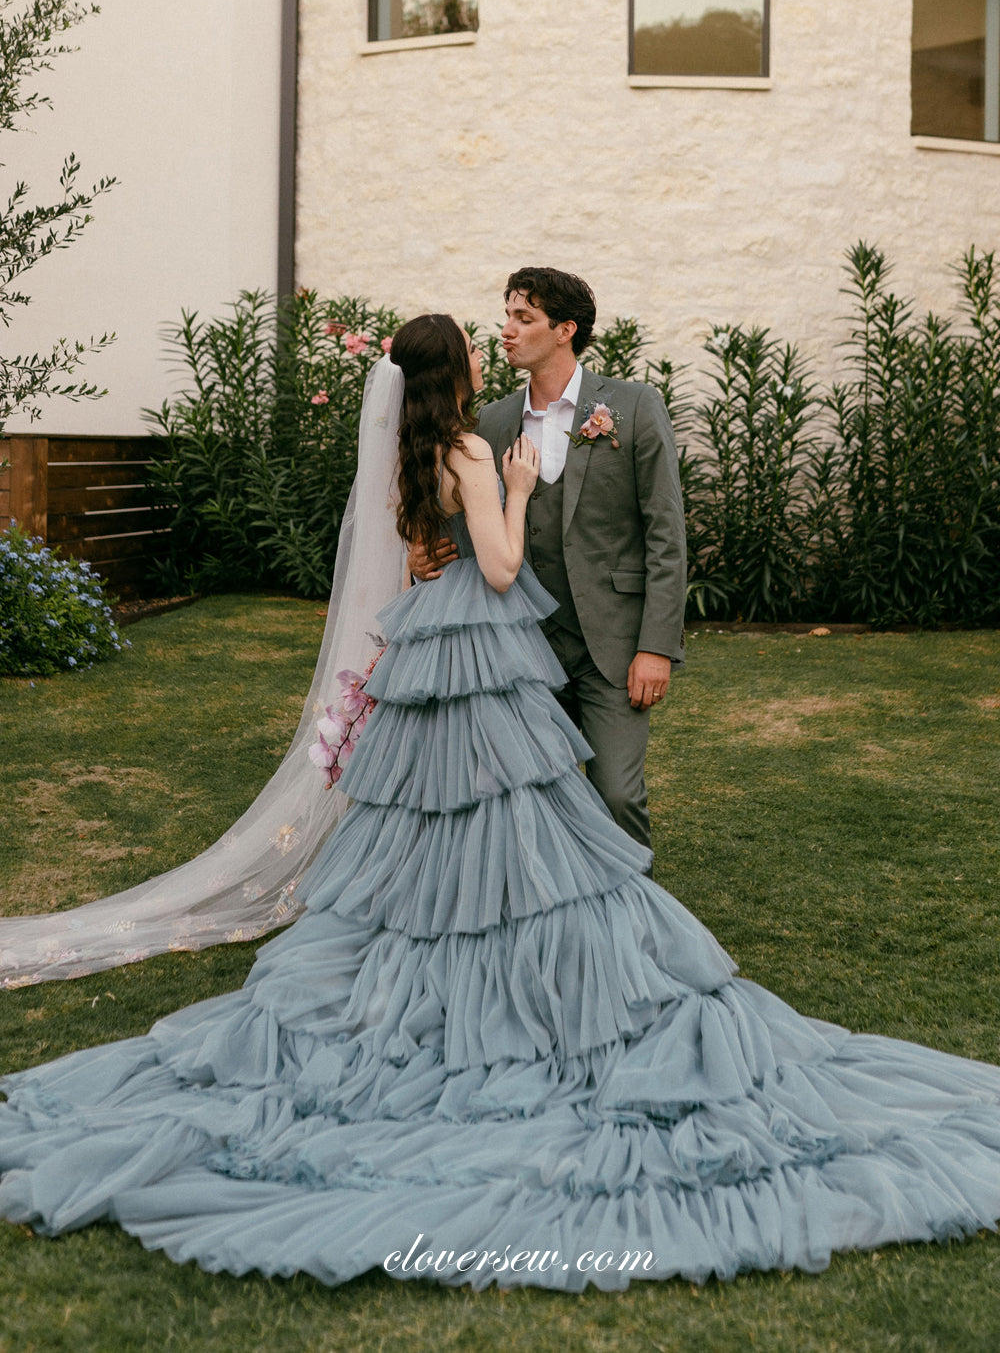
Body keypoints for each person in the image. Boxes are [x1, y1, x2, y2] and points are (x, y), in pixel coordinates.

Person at [4, 317, 1000, 1293]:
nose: (492, 348)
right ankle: (530, 987)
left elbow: (420, 555)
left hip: (429, 647)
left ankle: (431, 979)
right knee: (518, 814)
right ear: (457, 372)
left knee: (430, 827)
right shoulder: (471, 449)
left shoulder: (405, 458)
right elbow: (499, 565)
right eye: (477, 346)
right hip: (481, 644)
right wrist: (516, 489)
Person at [414, 267, 685, 848]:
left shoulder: (634, 407)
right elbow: (468, 530)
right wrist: (426, 556)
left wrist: (656, 648)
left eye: (523, 318)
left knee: (617, 793)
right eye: (506, 315)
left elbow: (666, 532)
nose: (506, 330)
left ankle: (629, 918)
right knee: (536, 794)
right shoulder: (490, 422)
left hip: (613, 644)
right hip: (524, 646)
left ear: (565, 329)